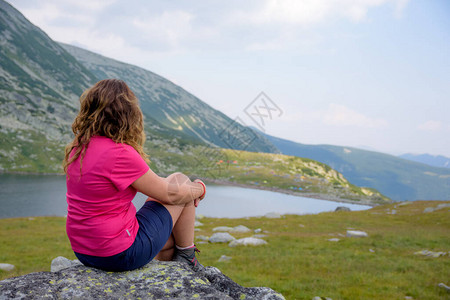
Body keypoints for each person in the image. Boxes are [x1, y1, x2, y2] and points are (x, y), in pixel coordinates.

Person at [62, 79, 206, 272]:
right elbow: (169, 195)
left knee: (170, 238)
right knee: (181, 184)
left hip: (84, 251)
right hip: (118, 254)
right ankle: (188, 258)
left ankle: (173, 266)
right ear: (128, 114)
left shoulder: (79, 146)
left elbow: (160, 189)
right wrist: (199, 188)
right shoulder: (120, 153)